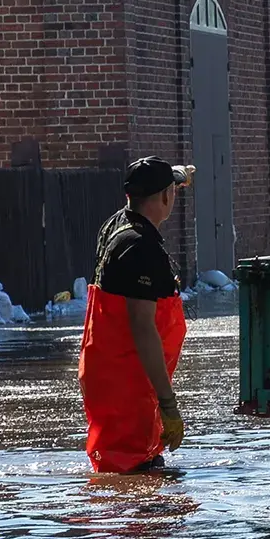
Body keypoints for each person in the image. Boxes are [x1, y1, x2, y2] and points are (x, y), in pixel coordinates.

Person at [80, 158, 193, 473]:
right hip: (130, 381)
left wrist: (180, 176)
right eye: (172, 190)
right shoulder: (142, 248)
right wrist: (168, 405)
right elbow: (143, 328)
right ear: (165, 197)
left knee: (112, 472)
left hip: (105, 371)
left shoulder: (117, 224)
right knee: (137, 473)